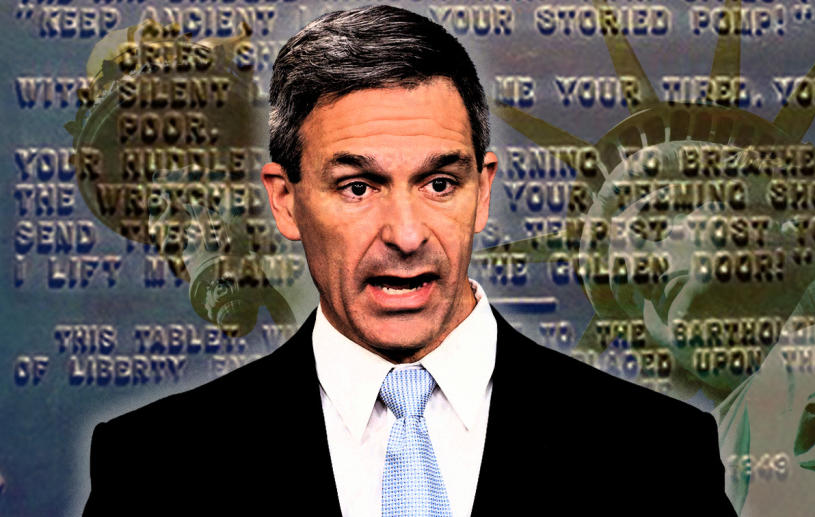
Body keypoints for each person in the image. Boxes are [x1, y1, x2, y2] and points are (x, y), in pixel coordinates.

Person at [83, 6, 735, 516]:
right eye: (358, 186)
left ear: (483, 191)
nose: (404, 233)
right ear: (285, 202)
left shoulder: (659, 458)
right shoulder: (153, 470)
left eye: (438, 183)